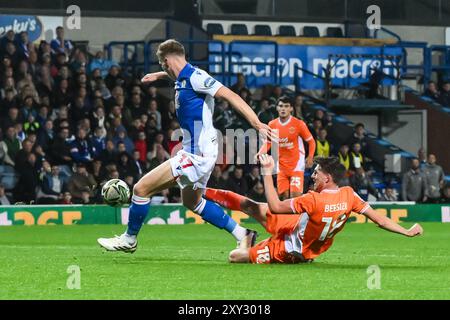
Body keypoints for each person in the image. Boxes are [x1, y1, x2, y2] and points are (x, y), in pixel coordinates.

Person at [97, 39, 274, 252]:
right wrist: (158, 75)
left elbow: (230, 95)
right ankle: (243, 234)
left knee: (140, 189)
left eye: (162, 64)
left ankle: (129, 239)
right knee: (193, 202)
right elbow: (175, 74)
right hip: (202, 152)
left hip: (195, 155)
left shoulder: (197, 77)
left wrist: (256, 124)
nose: (163, 68)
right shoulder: (183, 77)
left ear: (167, 59)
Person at [205, 155, 423, 264]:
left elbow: (276, 206)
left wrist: (267, 171)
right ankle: (202, 190)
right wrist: (406, 231)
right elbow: (381, 221)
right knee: (251, 206)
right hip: (298, 226)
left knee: (235, 257)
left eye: (317, 173)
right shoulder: (350, 194)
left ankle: (248, 239)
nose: (313, 175)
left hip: (289, 249)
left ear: (327, 178)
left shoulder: (313, 200)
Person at [257, 96, 316, 199]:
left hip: (296, 164)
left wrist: (310, 157)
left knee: (295, 197)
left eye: (286, 106)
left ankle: (300, 214)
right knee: (283, 197)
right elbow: (269, 141)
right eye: (280, 106)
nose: (283, 109)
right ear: (277, 108)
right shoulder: (272, 124)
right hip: (281, 165)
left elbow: (311, 141)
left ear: (291, 108)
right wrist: (260, 152)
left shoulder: (298, 124)